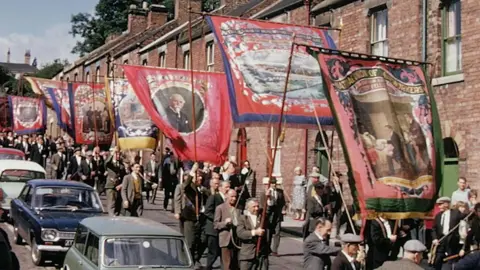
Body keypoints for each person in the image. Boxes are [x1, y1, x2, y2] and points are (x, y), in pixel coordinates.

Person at [431, 196, 466, 270]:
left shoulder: (455, 213)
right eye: (438, 204)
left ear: (446, 204)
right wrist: (434, 239)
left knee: (449, 261)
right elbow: (433, 228)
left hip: (451, 241)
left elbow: (467, 217)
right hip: (440, 241)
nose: (439, 206)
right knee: (437, 261)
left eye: (441, 204)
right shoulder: (438, 216)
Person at [236, 198, 269, 270]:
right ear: (248, 208)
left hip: (261, 254)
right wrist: (255, 232)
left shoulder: (262, 217)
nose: (256, 208)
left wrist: (268, 196)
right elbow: (240, 233)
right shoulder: (242, 218)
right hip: (247, 254)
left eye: (257, 206)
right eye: (254, 207)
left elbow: (268, 206)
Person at [204, 180, 229, 270]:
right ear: (220, 188)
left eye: (229, 187)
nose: (228, 189)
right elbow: (207, 212)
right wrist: (218, 219)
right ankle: (208, 268)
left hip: (223, 231)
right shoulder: (214, 197)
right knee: (213, 252)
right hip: (213, 230)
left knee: (222, 253)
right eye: (226, 187)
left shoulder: (228, 200)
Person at [214, 189, 241, 270]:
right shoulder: (220, 208)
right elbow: (216, 225)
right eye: (232, 196)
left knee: (236, 264)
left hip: (236, 240)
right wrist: (225, 223)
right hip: (225, 240)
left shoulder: (238, 209)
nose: (234, 199)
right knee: (227, 264)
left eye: (235, 197)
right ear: (226, 196)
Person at [260, 177, 286, 256]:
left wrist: (283, 209)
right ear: (269, 184)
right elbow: (262, 204)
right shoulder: (264, 192)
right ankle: (268, 249)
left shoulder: (280, 191)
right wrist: (267, 196)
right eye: (272, 183)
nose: (273, 184)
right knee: (268, 232)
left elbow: (283, 202)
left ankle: (275, 250)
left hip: (277, 214)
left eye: (274, 183)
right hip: (269, 214)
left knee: (277, 232)